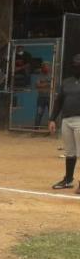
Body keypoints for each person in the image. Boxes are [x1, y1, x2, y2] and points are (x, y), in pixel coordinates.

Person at [49, 54, 80, 192]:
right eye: (75, 64)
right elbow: (58, 101)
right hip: (66, 120)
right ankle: (68, 180)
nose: (77, 67)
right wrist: (52, 119)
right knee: (70, 152)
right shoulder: (67, 82)